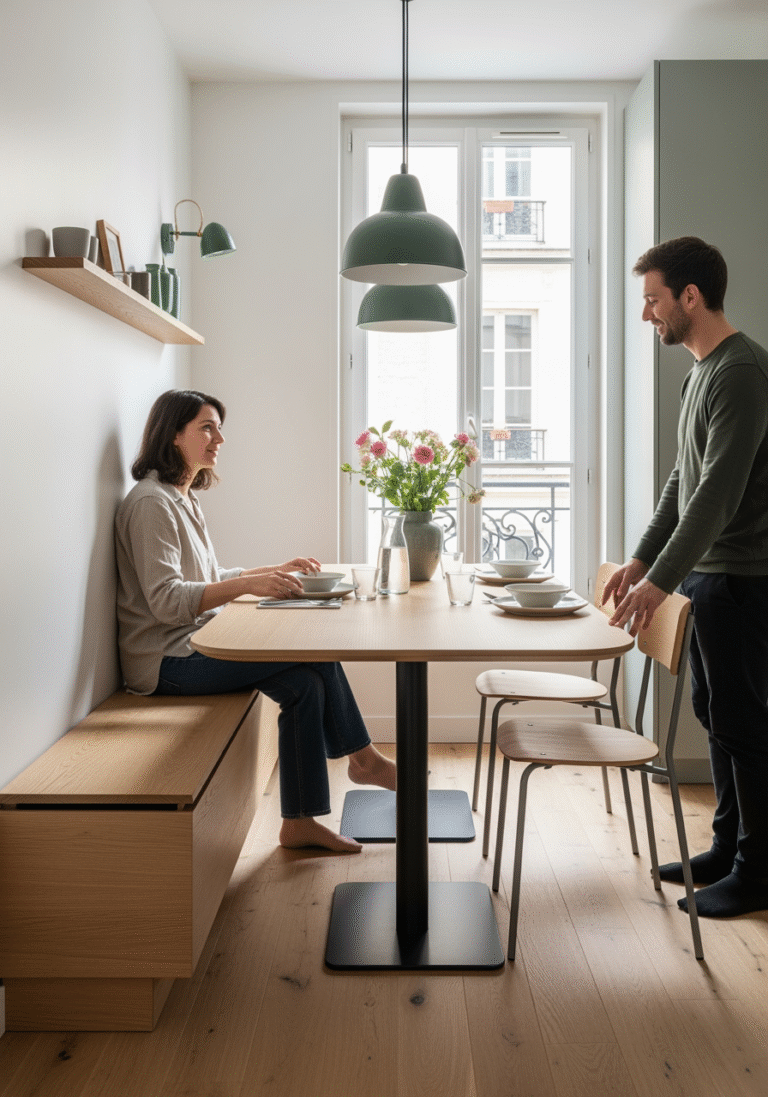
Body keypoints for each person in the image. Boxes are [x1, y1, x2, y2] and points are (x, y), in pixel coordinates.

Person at [115, 389, 396, 854]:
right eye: (207, 427)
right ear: (174, 434)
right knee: (315, 659)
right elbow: (166, 601)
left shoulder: (180, 498)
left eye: (218, 427)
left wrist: (269, 572)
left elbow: (206, 578)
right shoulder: (150, 504)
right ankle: (364, 761)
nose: (219, 438)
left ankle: (300, 822)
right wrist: (250, 587)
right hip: (165, 662)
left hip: (194, 643)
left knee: (306, 681)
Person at [603, 236, 768, 918]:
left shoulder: (742, 372)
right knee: (716, 715)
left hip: (741, 577)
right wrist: (644, 558)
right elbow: (682, 482)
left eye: (653, 299)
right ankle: (728, 848)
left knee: (744, 724)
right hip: (708, 576)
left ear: (689, 298)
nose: (648, 314)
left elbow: (718, 496)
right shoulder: (699, 372)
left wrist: (660, 582)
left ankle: (758, 871)